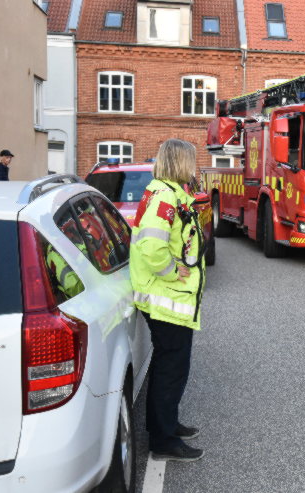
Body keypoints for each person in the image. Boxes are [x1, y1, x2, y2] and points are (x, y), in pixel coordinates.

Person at [130, 139, 206, 462]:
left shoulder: (170, 192)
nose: (195, 166)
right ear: (179, 162)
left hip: (169, 297)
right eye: (191, 161)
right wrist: (175, 272)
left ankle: (167, 425)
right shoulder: (165, 196)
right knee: (170, 369)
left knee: (171, 367)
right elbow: (152, 247)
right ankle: (163, 440)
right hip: (166, 297)